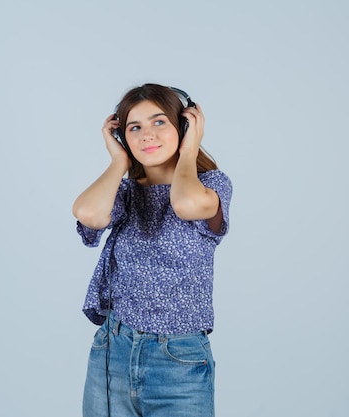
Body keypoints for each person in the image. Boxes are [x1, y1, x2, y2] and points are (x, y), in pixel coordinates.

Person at [72, 83, 232, 417]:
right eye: (135, 127)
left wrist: (189, 151)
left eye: (159, 122)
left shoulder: (212, 186)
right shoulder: (125, 192)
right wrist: (119, 161)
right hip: (113, 351)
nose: (147, 135)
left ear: (184, 126)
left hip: (178, 362)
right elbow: (88, 213)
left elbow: (186, 203)